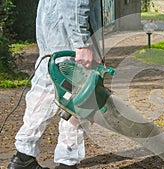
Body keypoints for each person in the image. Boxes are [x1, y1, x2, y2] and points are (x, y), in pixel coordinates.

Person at [8, 0, 103, 169]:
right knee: (77, 95)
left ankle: (23, 156)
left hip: (52, 21)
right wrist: (81, 42)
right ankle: (67, 160)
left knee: (46, 85)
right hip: (67, 27)